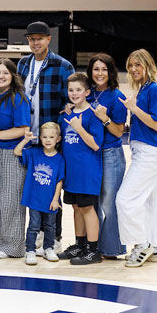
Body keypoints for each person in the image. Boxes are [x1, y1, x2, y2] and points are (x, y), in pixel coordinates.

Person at [17, 21, 74, 251]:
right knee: (36, 185)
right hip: (29, 136)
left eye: (39, 38)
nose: (35, 42)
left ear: (49, 39)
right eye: (31, 39)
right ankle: (38, 232)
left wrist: (59, 132)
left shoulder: (63, 65)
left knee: (51, 187)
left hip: (49, 138)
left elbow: (71, 100)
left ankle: (54, 236)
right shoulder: (23, 63)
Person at [116, 49, 157, 268]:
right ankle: (154, 247)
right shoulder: (143, 89)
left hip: (150, 153)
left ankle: (141, 244)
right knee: (153, 201)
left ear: (148, 65)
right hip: (144, 151)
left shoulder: (155, 90)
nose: (133, 69)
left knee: (125, 199)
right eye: (130, 65)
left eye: (138, 64)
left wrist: (133, 108)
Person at [0, 58, 31, 259]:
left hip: (11, 153)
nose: (1, 76)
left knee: (10, 199)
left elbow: (24, 129)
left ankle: (13, 246)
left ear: (13, 76)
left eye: (5, 73)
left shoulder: (18, 98)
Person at [57, 73, 104, 265]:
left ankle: (93, 250)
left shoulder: (92, 114)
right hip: (71, 171)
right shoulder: (66, 114)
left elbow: (95, 145)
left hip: (87, 171)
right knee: (76, 207)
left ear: (87, 92)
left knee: (87, 208)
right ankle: (80, 245)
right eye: (71, 90)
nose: (74, 93)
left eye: (78, 90)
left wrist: (79, 128)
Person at [87, 53, 128, 259]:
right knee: (92, 202)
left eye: (104, 69)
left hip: (111, 154)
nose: (100, 73)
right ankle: (93, 246)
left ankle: (112, 249)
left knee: (109, 204)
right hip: (90, 154)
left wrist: (105, 119)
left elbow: (119, 131)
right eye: (96, 69)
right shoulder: (87, 94)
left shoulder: (117, 97)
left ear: (111, 72)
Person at [14, 124, 64, 265]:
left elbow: (59, 180)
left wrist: (56, 199)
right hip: (34, 199)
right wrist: (25, 140)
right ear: (40, 138)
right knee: (34, 226)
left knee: (50, 226)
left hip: (50, 200)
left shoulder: (60, 159)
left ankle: (48, 248)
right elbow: (17, 151)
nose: (48, 140)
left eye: (51, 137)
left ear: (58, 139)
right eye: (44, 137)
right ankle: (30, 250)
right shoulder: (34, 153)